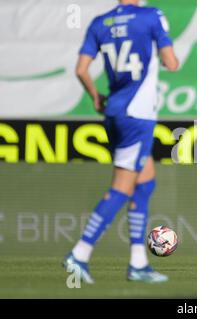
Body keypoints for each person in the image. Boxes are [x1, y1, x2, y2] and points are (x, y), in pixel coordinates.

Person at [63, 0, 179, 284]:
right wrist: (163, 53)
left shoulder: (99, 22)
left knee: (145, 183)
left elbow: (81, 69)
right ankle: (79, 253)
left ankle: (138, 263)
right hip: (137, 114)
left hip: (114, 111)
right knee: (121, 188)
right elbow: (171, 63)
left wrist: (94, 96)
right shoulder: (151, 15)